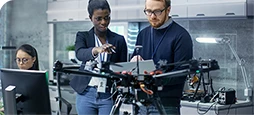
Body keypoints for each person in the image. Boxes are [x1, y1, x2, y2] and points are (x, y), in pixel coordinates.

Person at [130, 0, 193, 114]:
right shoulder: (142, 34)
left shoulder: (181, 36)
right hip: (142, 104)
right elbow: (136, 64)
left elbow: (181, 74)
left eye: (157, 11)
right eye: (148, 11)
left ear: (168, 10)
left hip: (166, 106)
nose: (152, 16)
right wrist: (134, 64)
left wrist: (156, 78)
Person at [69, 0, 128, 114]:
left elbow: (122, 68)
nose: (103, 22)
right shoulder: (83, 36)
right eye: (98, 18)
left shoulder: (119, 40)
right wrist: (96, 50)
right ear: (91, 18)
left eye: (107, 17)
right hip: (86, 93)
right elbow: (80, 54)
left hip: (108, 94)